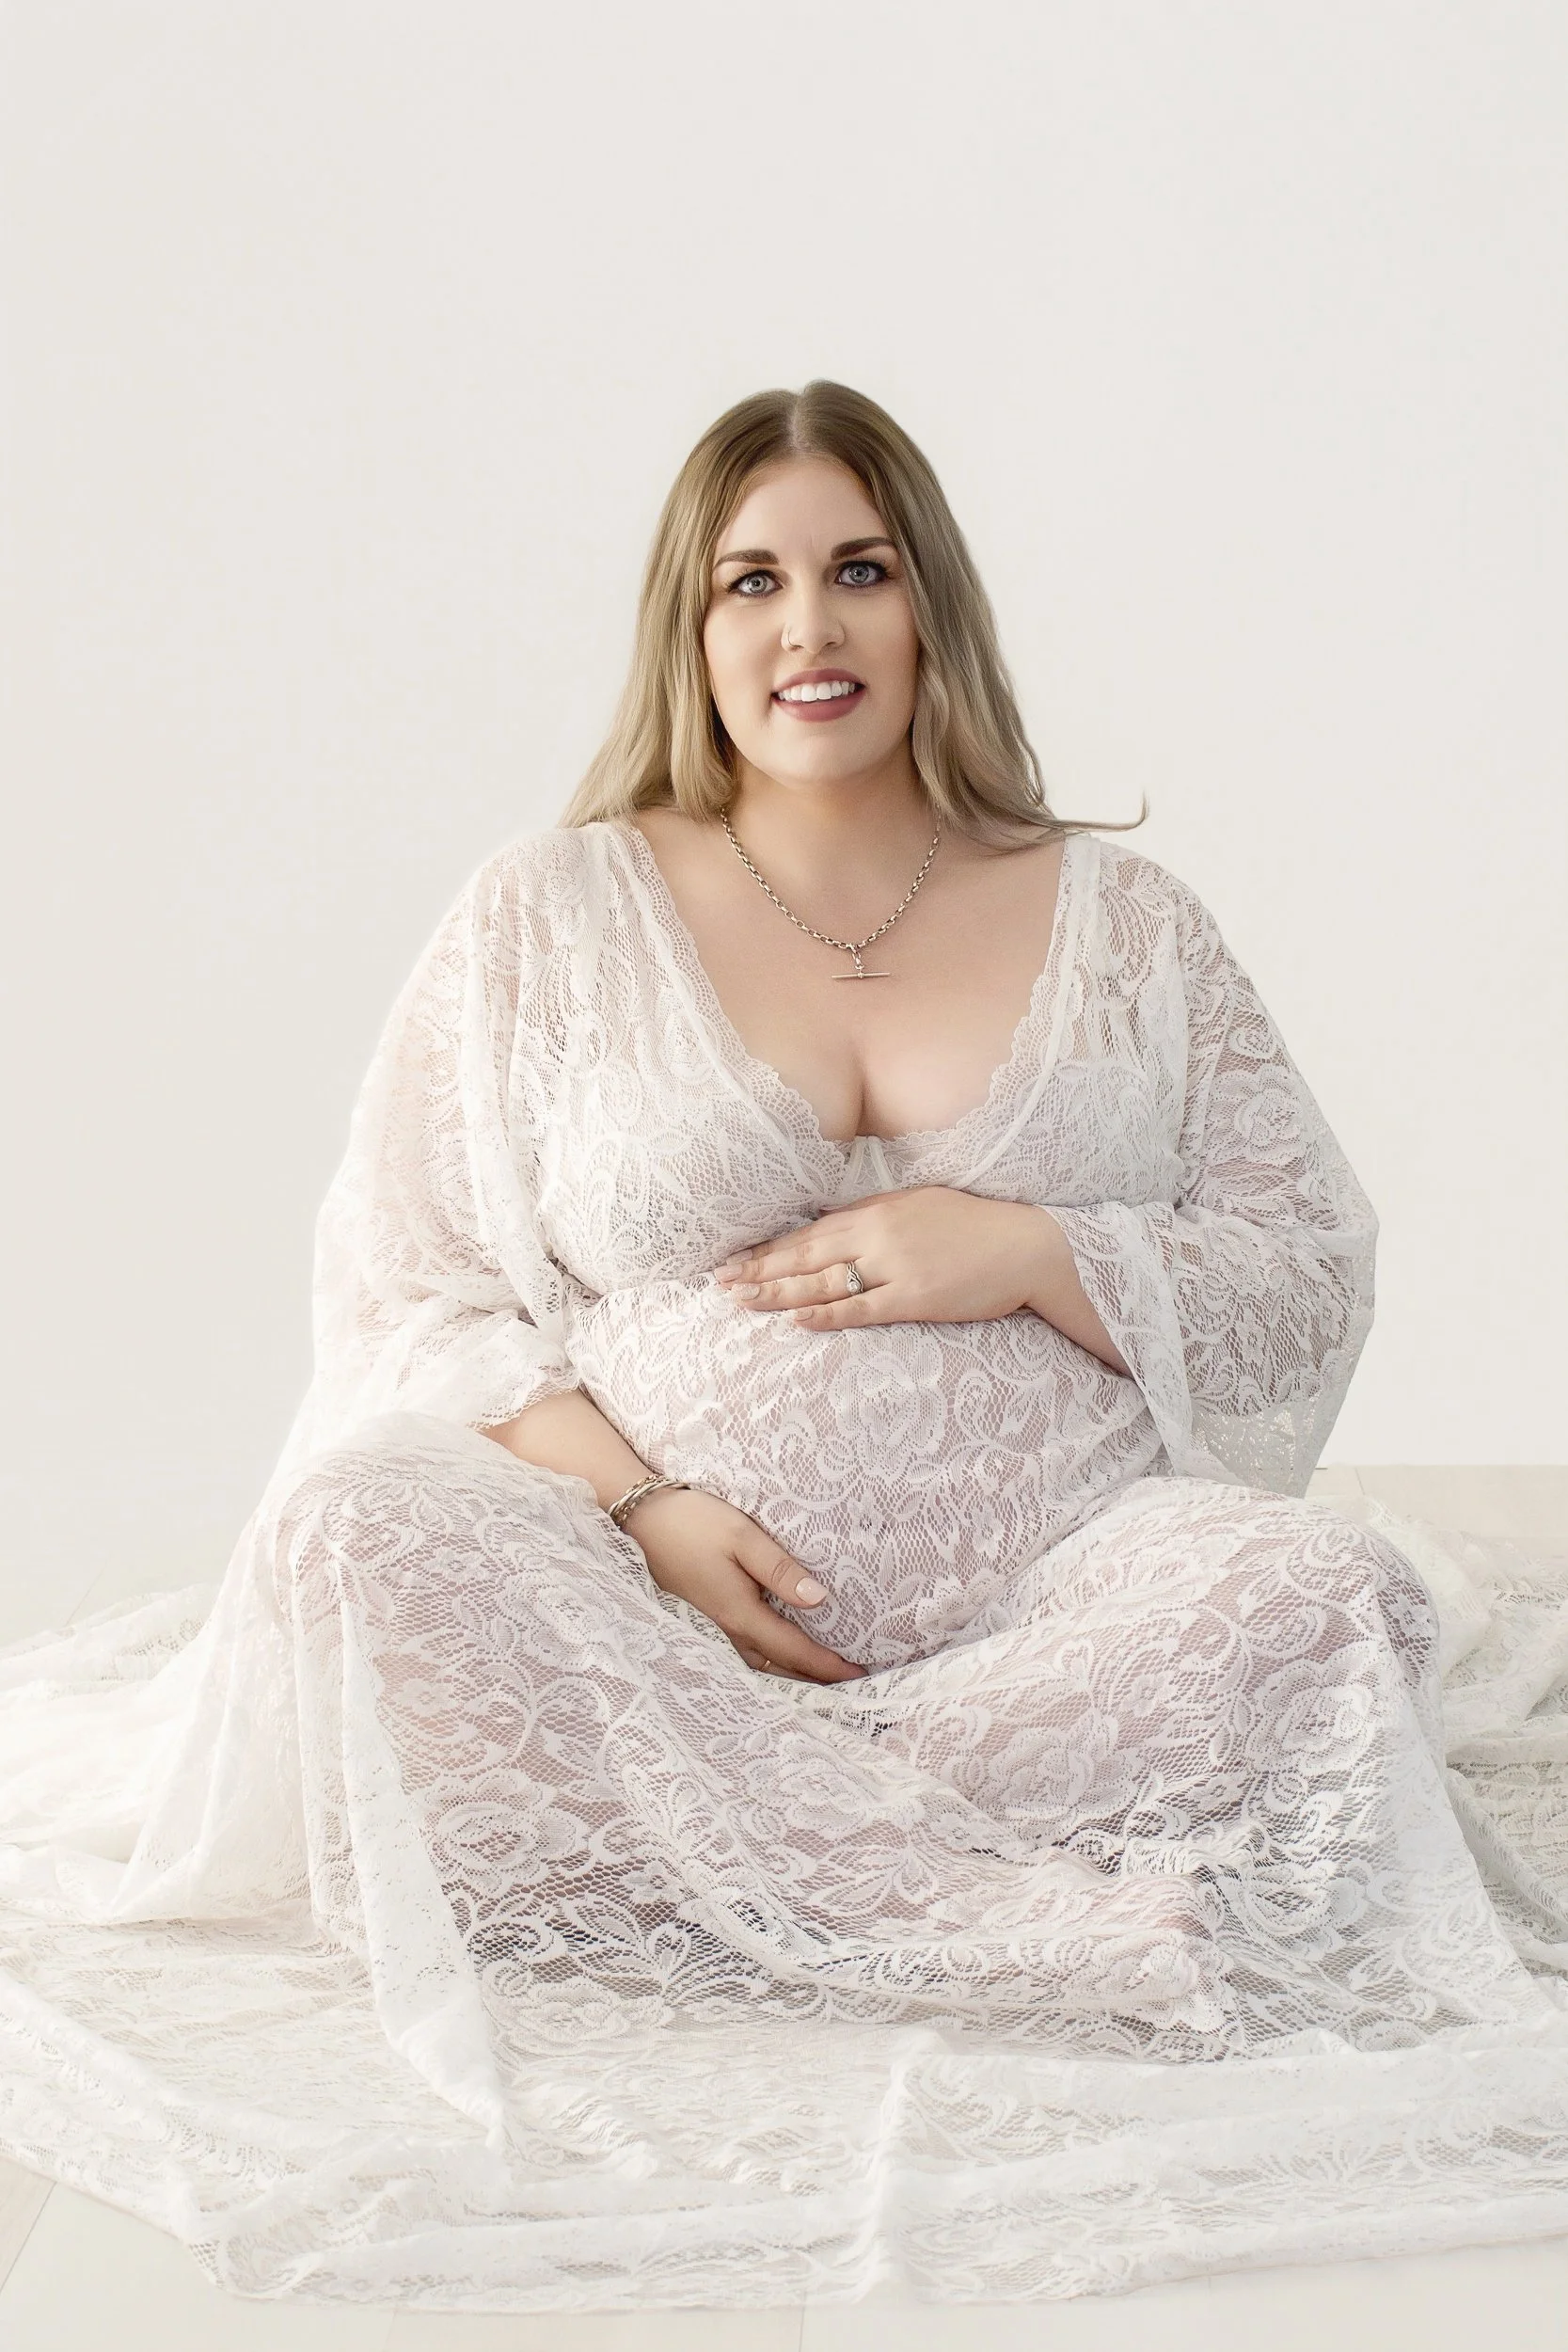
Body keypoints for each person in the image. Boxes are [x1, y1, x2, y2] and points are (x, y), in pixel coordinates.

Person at [2, 381, 1566, 2312]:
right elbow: (408, 1281)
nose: (803, 630)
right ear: (690, 622)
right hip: (633, 1608)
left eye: (855, 571)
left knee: (1332, 1600)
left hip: (1050, 1597)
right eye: (750, 582)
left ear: (932, 611)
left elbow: (1300, 1263)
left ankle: (732, 1853)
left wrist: (1022, 1243)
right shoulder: (548, 913)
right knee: (352, 1533)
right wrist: (645, 1505)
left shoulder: (1123, 920)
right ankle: (989, 1900)